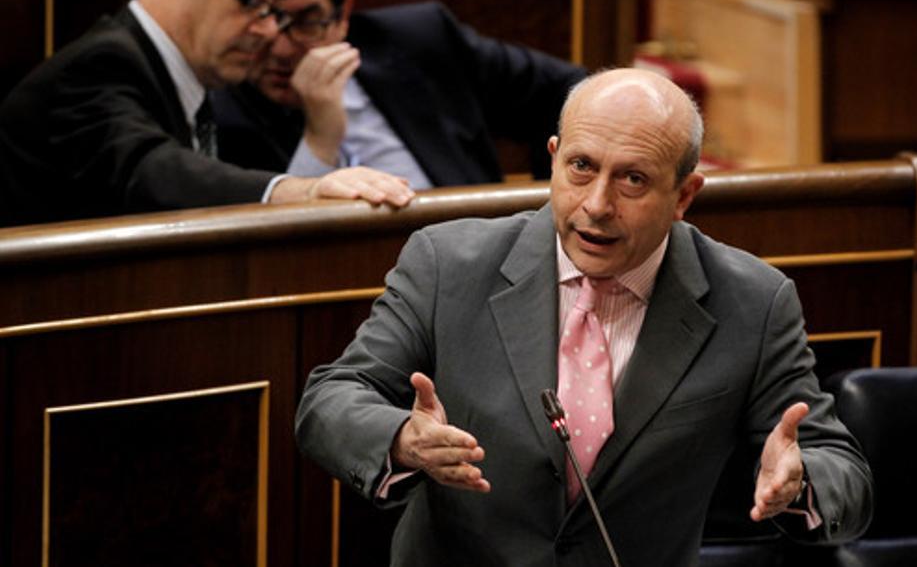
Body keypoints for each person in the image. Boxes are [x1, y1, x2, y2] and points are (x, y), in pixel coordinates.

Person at [296, 68, 873, 566]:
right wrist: (400, 438)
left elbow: (841, 469)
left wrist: (801, 483)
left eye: (634, 179)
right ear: (552, 159)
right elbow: (331, 399)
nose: (597, 204)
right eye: (581, 167)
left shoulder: (752, 302)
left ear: (684, 195)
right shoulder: (449, 265)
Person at [0, 0, 412, 228]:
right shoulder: (99, 66)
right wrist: (299, 191)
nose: (269, 31)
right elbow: (149, 171)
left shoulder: (190, 77)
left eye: (274, 10)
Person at [211, 0, 586, 188]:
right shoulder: (218, 104)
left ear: (343, 13)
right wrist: (320, 139)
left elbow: (570, 89)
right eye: (267, 15)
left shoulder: (421, 38)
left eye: (307, 22)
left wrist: (556, 200)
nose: (280, 47)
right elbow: (266, 253)